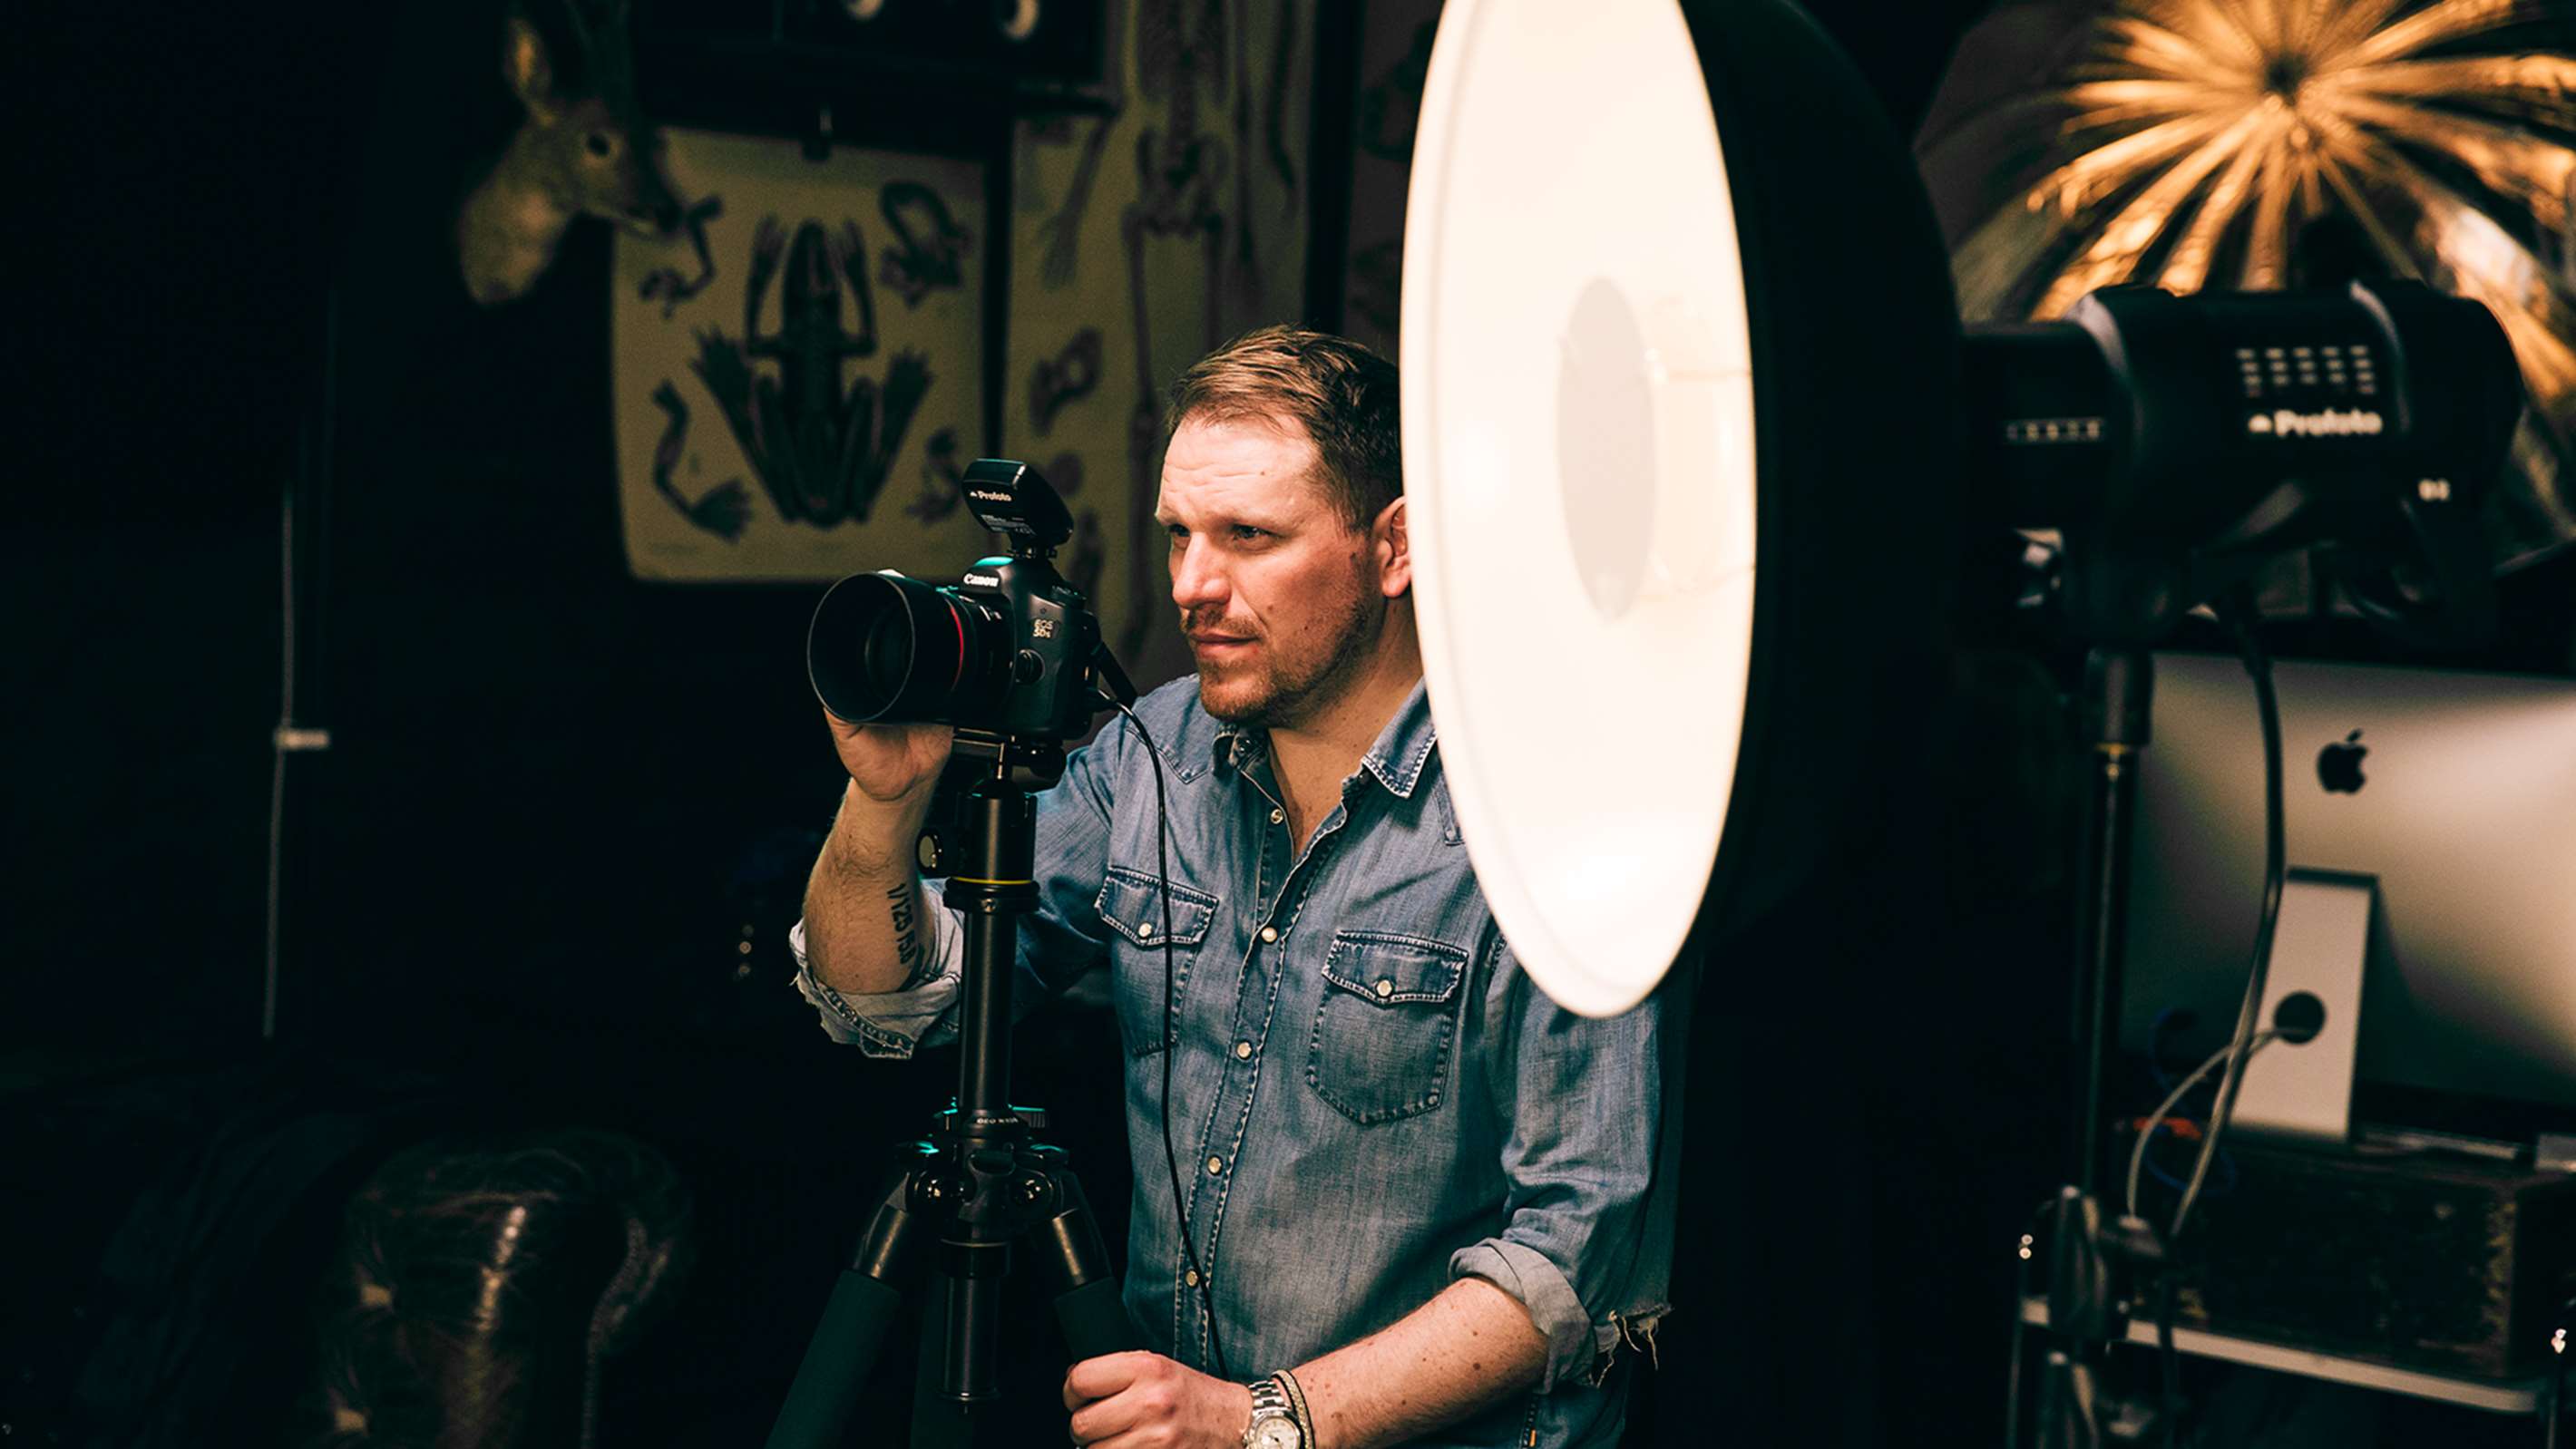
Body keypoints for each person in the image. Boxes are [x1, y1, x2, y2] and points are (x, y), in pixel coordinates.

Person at [792, 326, 1688, 1449]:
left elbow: (1577, 1261)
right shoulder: (1152, 755)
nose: (1191, 586)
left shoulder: (1548, 820)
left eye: (1248, 537)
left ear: (1394, 545)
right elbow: (890, 1006)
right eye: (1179, 533)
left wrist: (1262, 1420)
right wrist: (883, 801)